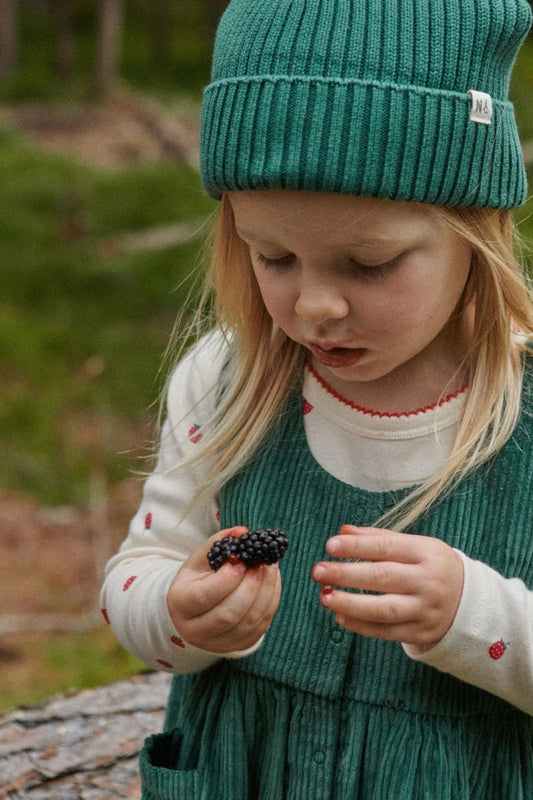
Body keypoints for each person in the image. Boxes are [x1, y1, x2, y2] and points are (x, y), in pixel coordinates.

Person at [101, 1, 533, 797]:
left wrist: (474, 615)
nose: (316, 306)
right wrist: (178, 608)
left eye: (367, 265)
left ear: (474, 231)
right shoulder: (225, 381)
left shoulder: (521, 410)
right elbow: (136, 578)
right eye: (274, 258)